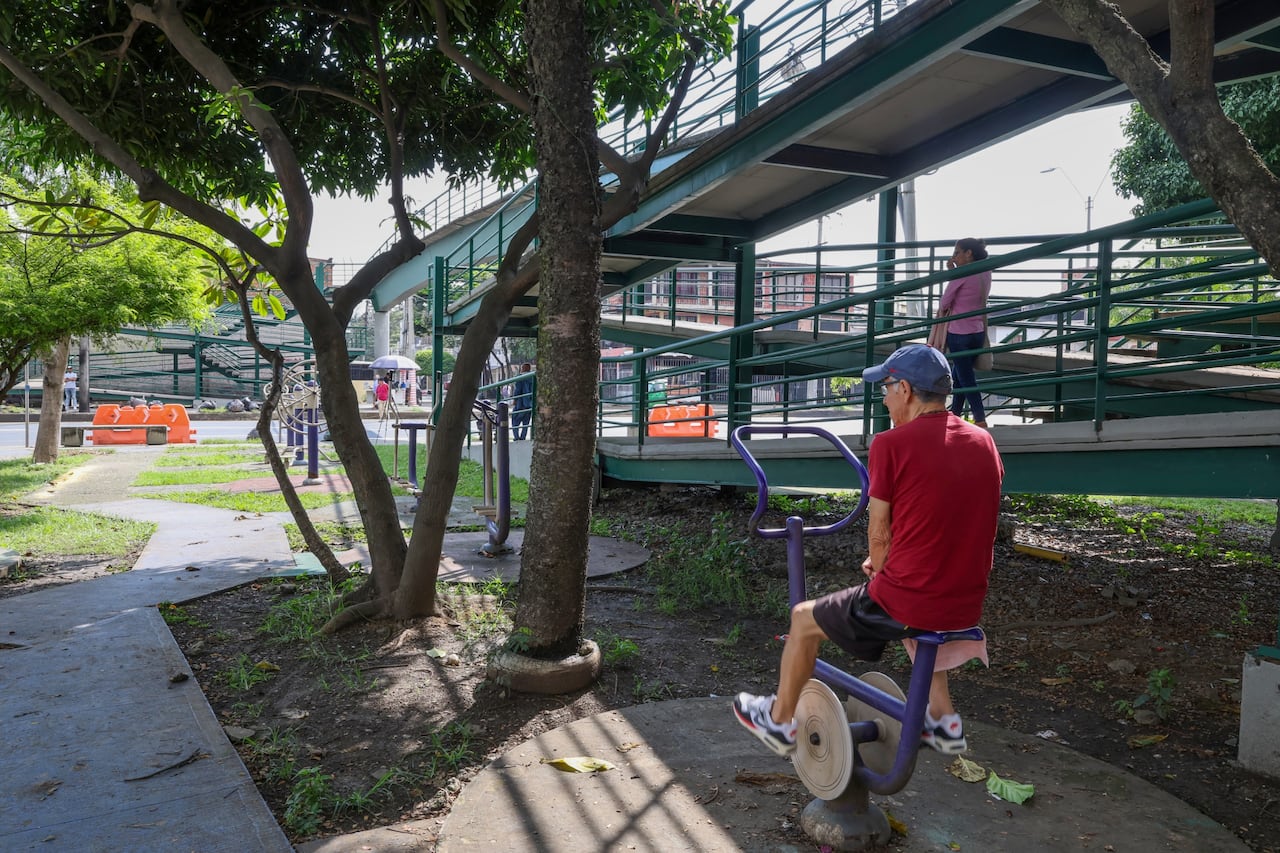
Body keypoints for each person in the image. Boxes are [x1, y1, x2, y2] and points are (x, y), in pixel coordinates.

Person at [733, 344, 1003, 757]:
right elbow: (945, 519)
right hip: (965, 601)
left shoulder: (891, 444)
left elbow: (878, 531)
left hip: (915, 598)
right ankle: (944, 720)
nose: (884, 396)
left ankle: (780, 721)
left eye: (888, 387)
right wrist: (894, 562)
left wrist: (881, 568)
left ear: (907, 390)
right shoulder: (983, 441)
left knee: (804, 619)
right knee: (921, 613)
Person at [936, 237, 992, 427]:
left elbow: (944, 303)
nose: (954, 257)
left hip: (959, 333)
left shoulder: (962, 274)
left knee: (966, 379)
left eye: (957, 252)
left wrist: (953, 275)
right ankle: (955, 416)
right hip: (977, 331)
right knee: (959, 377)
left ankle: (980, 418)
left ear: (969, 254)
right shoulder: (986, 271)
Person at [511, 363, 534, 441]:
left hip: (520, 403)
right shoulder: (533, 377)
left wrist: (515, 399)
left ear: (523, 368)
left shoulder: (520, 377)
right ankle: (523, 437)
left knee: (515, 421)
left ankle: (516, 437)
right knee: (526, 423)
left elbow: (518, 390)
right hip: (530, 403)